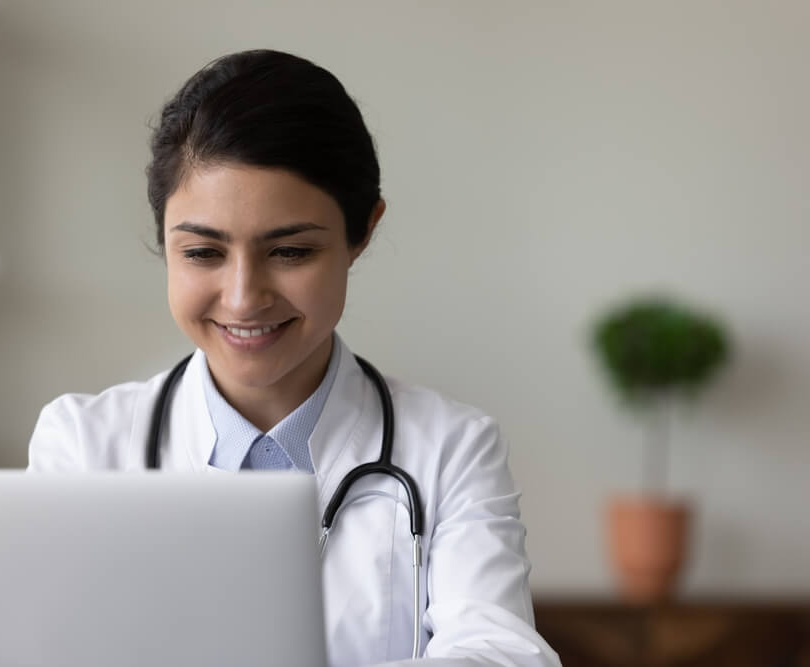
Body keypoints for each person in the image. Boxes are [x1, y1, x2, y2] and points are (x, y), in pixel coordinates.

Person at [28, 49, 561, 667]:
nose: (243, 297)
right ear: (163, 241)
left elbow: (501, 654)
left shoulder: (451, 450)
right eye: (203, 253)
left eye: (290, 253)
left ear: (362, 233)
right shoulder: (83, 446)